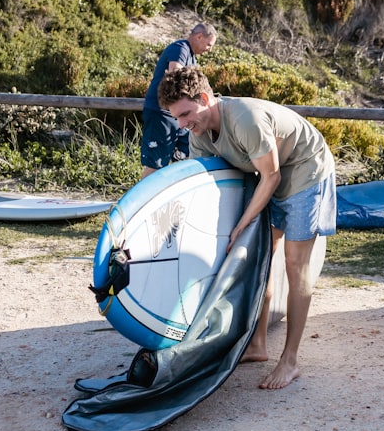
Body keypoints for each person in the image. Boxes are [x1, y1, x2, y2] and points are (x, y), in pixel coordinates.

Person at [158, 66, 336, 390]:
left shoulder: (244, 119)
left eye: (185, 114)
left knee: (296, 264)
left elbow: (272, 176)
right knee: (259, 259)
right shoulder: (198, 136)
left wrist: (242, 223)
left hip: (306, 170)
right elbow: (210, 188)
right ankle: (257, 346)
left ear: (204, 98)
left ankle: (291, 360)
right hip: (271, 176)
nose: (182, 125)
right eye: (177, 119)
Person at [140, 23, 217, 178]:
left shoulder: (192, 57)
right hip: (162, 113)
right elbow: (175, 75)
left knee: (184, 158)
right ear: (199, 36)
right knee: (157, 163)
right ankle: (139, 201)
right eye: (209, 45)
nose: (210, 49)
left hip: (181, 116)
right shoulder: (180, 48)